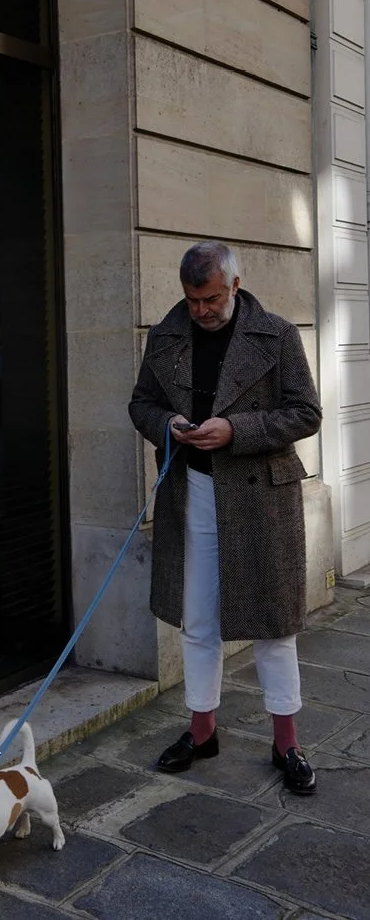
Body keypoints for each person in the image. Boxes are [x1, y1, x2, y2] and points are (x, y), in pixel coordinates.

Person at [128, 241, 322, 794]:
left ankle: (287, 741)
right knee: (197, 619)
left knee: (273, 623)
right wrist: (170, 423)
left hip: (260, 499)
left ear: (234, 286)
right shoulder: (165, 336)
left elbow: (306, 412)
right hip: (192, 493)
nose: (200, 310)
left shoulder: (277, 334)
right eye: (192, 300)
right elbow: (140, 403)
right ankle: (202, 729)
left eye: (210, 298)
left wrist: (236, 431)